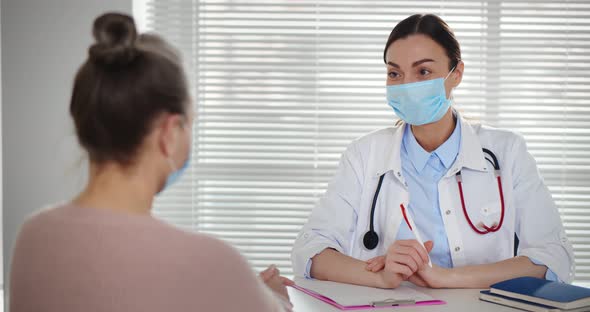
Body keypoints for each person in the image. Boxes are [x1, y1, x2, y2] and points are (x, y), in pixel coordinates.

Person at [10, 12, 292, 311]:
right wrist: (271, 299)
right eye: (189, 123)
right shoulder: (208, 263)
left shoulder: (33, 237)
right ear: (169, 133)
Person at [291, 13, 574, 289]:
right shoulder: (364, 155)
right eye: (395, 73)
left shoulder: (507, 152)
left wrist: (446, 278)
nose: (407, 85)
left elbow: (554, 256)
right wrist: (379, 276)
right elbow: (310, 251)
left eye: (423, 71)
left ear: (456, 74)